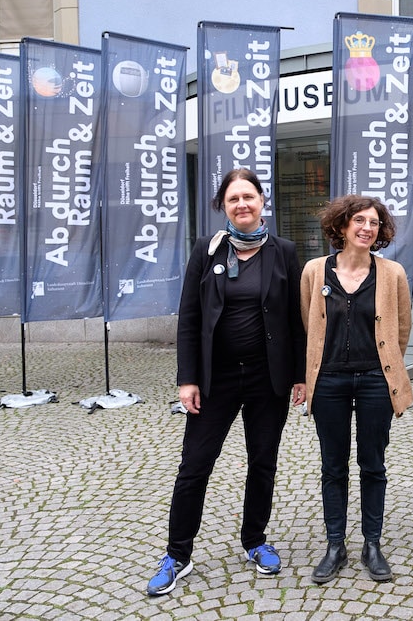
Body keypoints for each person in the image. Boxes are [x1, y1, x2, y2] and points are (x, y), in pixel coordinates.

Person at [147, 168, 306, 596]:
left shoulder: (283, 251)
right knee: (194, 466)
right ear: (224, 205)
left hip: (266, 379)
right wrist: (187, 379)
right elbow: (190, 318)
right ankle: (177, 553)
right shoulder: (207, 249)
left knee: (263, 464)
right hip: (214, 380)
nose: (242, 205)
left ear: (262, 202)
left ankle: (255, 540)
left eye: (249, 197)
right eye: (234, 198)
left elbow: (295, 319)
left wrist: (300, 376)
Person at [300, 195, 413, 584]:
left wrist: (386, 370)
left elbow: (400, 330)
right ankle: (335, 546)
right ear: (342, 226)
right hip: (329, 380)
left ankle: (372, 544)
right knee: (333, 465)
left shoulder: (392, 273)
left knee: (373, 464)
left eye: (375, 223)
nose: (368, 228)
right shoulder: (315, 271)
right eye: (360, 221)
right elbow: (308, 325)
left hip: (374, 382)